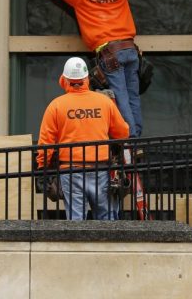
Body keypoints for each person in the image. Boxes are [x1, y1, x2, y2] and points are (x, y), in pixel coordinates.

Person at [23, 0, 143, 137]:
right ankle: (137, 139)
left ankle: (130, 142)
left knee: (121, 98)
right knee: (132, 96)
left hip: (110, 54)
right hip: (130, 49)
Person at [36, 57, 130, 220]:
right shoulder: (104, 102)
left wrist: (42, 168)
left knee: (76, 221)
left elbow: (46, 142)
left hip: (71, 171)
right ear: (86, 79)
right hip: (100, 168)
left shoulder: (56, 106)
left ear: (64, 80)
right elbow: (123, 133)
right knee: (106, 220)